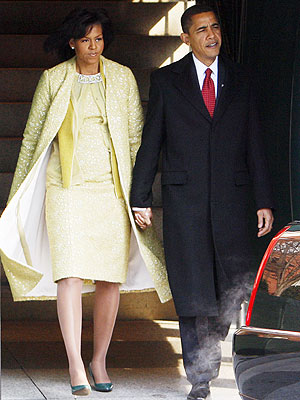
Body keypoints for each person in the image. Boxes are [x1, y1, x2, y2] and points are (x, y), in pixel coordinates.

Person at [0, 8, 171, 397]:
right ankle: (75, 362)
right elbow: (30, 139)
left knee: (110, 278)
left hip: (112, 190)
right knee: (71, 276)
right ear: (72, 42)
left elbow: (135, 141)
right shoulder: (53, 79)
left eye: (98, 39)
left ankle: (99, 359)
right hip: (65, 190)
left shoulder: (123, 77)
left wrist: (139, 195)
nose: (93, 47)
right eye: (85, 40)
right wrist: (15, 199)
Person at [130, 5, 274, 400]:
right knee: (193, 288)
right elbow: (152, 141)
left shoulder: (241, 78)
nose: (211, 35)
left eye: (215, 28)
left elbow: (254, 141)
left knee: (230, 286)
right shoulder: (166, 80)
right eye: (202, 30)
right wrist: (139, 195)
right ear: (185, 38)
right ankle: (201, 376)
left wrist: (264, 199)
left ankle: (210, 356)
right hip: (185, 201)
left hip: (233, 198)